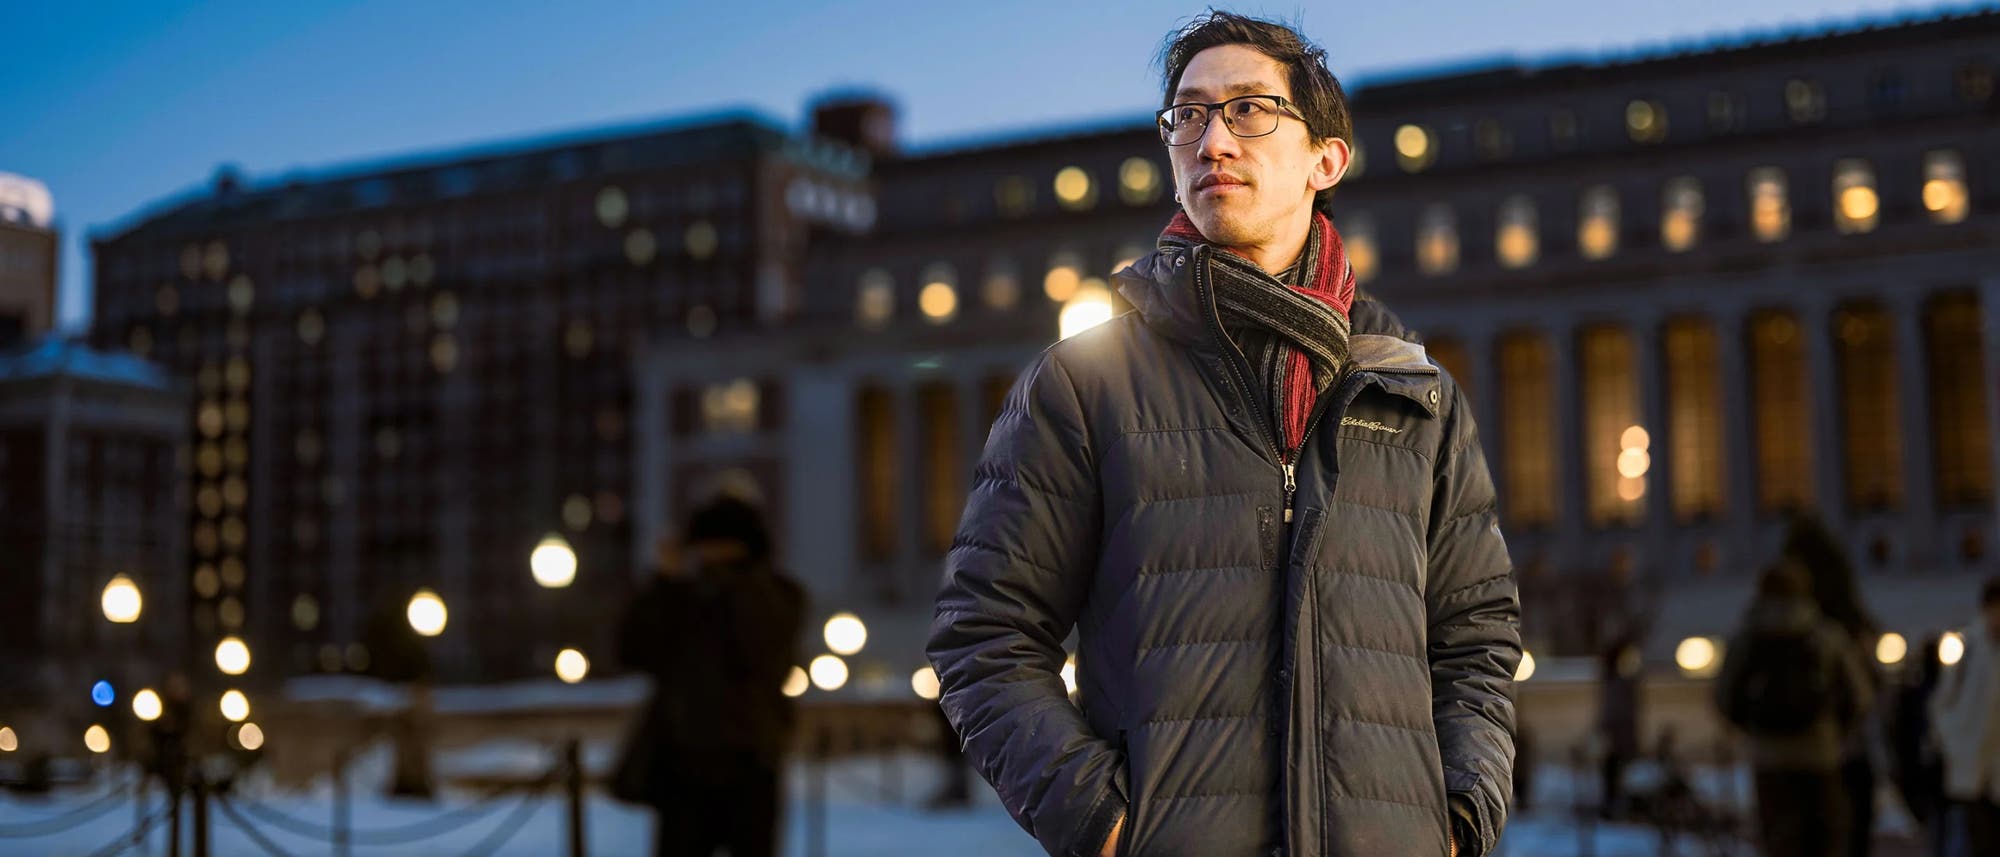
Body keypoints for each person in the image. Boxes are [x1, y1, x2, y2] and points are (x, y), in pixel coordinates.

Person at [926, 12, 1520, 857]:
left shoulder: (1413, 395)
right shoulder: (1085, 384)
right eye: (1188, 116)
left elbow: (1477, 639)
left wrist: (1457, 819)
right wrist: (1103, 823)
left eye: (1249, 110)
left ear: (1327, 158)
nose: (1212, 141)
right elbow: (982, 632)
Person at [616, 496, 806, 857]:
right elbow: (633, 649)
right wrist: (663, 582)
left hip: (749, 759)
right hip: (684, 762)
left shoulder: (776, 595)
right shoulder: (683, 597)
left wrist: (737, 578)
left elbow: (759, 648)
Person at [1714, 559, 1873, 857]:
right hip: (1821, 756)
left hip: (1768, 759)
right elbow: (1859, 695)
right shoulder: (1826, 635)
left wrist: (1754, 730)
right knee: (1826, 842)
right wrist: (1837, 733)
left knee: (1779, 842)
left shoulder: (1747, 638)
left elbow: (1725, 698)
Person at [1782, 512, 1883, 856]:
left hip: (1781, 758)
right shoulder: (1835, 636)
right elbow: (1865, 694)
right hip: (1836, 753)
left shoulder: (1772, 634)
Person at [1929, 575, 2000, 855]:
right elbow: (1943, 703)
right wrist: (1953, 745)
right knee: (1978, 840)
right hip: (1973, 767)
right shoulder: (1969, 646)